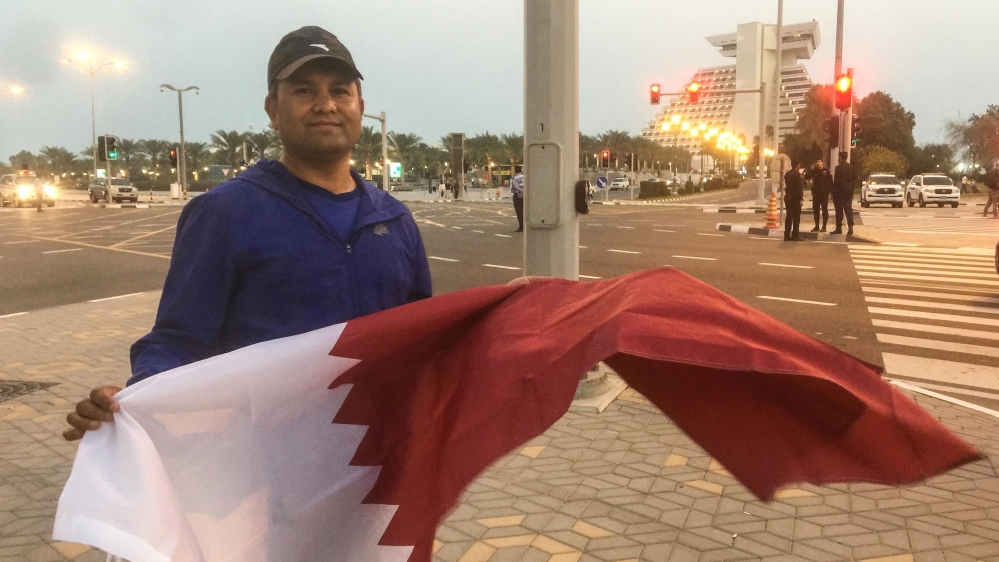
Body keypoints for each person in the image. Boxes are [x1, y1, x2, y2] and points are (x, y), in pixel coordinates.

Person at [64, 26, 432, 441]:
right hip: (262, 467)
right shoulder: (226, 213)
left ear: (360, 106)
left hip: (373, 461)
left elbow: (425, 337)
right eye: (304, 91)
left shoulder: (394, 218)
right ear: (272, 109)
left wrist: (507, 313)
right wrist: (134, 401)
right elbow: (179, 339)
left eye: (340, 91)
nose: (325, 104)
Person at [832, 151, 856, 236]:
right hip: (849, 191)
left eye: (839, 157)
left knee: (839, 210)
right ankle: (850, 227)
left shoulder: (838, 168)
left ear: (841, 158)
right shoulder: (851, 167)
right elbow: (854, 179)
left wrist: (833, 192)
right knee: (848, 210)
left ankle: (839, 228)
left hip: (839, 192)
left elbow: (836, 181)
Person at [804, 159, 832, 232]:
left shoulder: (826, 171)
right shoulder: (814, 171)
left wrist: (830, 192)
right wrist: (811, 169)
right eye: (816, 162)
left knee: (824, 210)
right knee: (815, 210)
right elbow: (806, 177)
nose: (817, 163)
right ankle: (817, 226)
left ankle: (824, 226)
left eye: (818, 162)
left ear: (822, 163)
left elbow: (830, 182)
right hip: (816, 193)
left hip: (824, 194)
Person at [783, 161, 804, 241]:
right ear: (798, 165)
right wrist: (801, 199)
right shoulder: (798, 175)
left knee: (789, 216)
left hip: (788, 197)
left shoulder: (787, 174)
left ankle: (787, 235)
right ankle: (795, 235)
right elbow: (799, 189)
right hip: (795, 198)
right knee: (796, 217)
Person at [511, 167, 525, 232]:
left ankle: (521, 226)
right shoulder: (524, 176)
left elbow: (515, 187)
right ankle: (525, 226)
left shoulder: (515, 178)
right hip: (525, 196)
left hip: (518, 196)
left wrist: (521, 190)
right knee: (524, 211)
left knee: (519, 211)